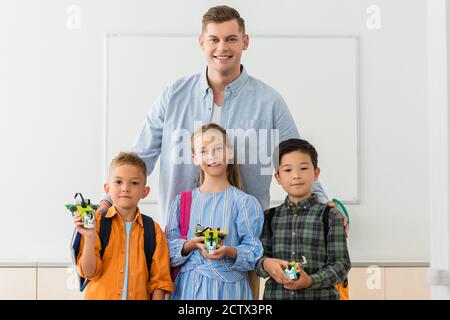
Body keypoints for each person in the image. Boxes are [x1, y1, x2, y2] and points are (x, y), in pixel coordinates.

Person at [97, 5, 332, 225]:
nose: (222, 48)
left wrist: (323, 204)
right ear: (202, 42)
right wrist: (107, 200)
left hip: (244, 238)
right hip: (180, 237)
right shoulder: (173, 96)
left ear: (245, 42)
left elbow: (296, 159)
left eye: (231, 39)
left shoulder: (269, 101)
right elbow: (140, 158)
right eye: (214, 39)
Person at [166, 123, 263, 300]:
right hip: (188, 291)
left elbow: (254, 252)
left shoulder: (244, 203)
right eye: (204, 151)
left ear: (230, 153)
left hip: (230, 294)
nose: (212, 156)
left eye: (218, 148)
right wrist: (191, 244)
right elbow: (167, 250)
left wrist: (228, 251)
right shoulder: (182, 202)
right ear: (195, 158)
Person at [255, 139, 351, 299]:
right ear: (278, 177)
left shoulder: (330, 215)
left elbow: (341, 264)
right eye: (287, 170)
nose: (296, 175)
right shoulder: (268, 217)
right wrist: (266, 264)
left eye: (303, 168)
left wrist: (311, 281)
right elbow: (258, 261)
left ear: (316, 173)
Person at [73, 152, 173, 299]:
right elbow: (88, 273)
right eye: (119, 182)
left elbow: (159, 283)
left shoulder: (154, 231)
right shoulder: (96, 224)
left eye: (134, 183)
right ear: (107, 189)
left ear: (145, 192)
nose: (125, 188)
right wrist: (89, 237)